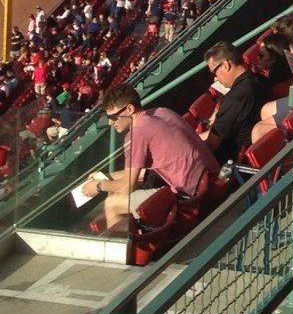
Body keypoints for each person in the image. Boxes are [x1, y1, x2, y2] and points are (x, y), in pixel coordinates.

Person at [85, 84, 220, 235]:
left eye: (113, 117)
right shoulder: (161, 112)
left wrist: (99, 186)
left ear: (129, 109)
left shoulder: (137, 134)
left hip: (187, 196)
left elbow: (128, 186)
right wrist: (108, 177)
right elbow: (142, 171)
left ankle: (123, 252)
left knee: (112, 204)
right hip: (207, 179)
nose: (110, 123)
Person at [199, 42, 266, 164]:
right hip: (264, 150)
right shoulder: (260, 80)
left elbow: (211, 144)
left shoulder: (233, 99)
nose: (215, 79)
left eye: (214, 72)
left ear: (225, 65)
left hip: (239, 164)